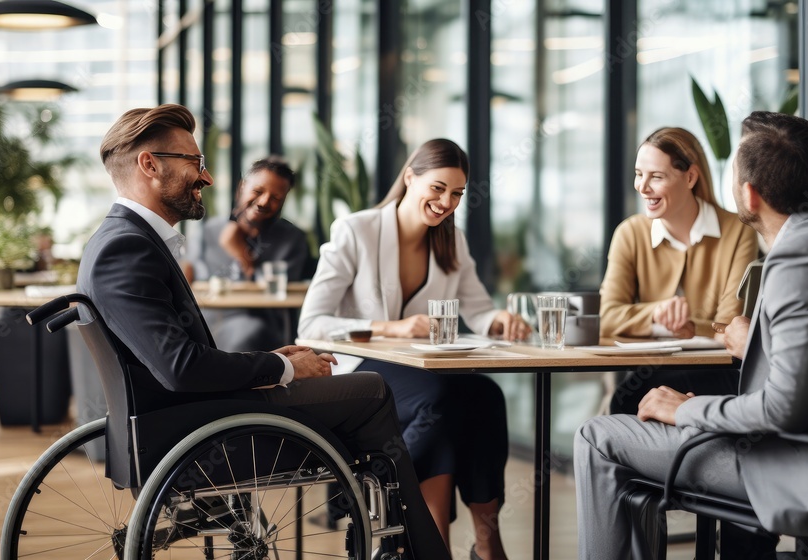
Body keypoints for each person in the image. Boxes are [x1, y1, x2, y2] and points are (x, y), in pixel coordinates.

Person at [77, 104, 450, 559]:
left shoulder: (122, 241)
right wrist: (281, 367)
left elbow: (177, 359)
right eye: (195, 163)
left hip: (191, 423)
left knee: (396, 404)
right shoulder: (127, 248)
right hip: (201, 436)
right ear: (149, 164)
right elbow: (180, 368)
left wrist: (278, 362)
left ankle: (384, 531)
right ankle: (413, 546)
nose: (207, 178)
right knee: (371, 392)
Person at [574, 111, 808, 560]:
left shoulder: (797, 258)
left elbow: (782, 411)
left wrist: (687, 408)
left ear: (749, 194)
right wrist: (756, 342)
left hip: (806, 469)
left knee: (595, 436)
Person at [297, 138, 530, 560]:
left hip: (420, 372)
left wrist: (500, 320)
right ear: (410, 177)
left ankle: (485, 541)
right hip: (361, 371)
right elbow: (310, 325)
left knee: (485, 397)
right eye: (438, 188)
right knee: (438, 401)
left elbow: (477, 308)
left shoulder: (450, 242)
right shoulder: (357, 230)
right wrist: (391, 327)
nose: (446, 202)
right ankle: (425, 534)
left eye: (457, 194)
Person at [601, 127, 758, 414]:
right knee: (627, 396)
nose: (642, 187)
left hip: (718, 372)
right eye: (639, 174)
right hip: (652, 369)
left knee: (626, 398)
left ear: (690, 177)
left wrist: (689, 326)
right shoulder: (630, 233)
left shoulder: (738, 231)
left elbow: (729, 326)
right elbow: (607, 316)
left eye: (656, 177)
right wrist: (657, 313)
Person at [188, 155, 310, 351]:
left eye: (276, 198)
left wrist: (241, 253)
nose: (263, 202)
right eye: (258, 191)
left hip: (265, 334)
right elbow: (190, 282)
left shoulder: (292, 240)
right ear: (241, 187)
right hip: (206, 328)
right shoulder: (207, 232)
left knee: (248, 332)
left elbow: (277, 294)